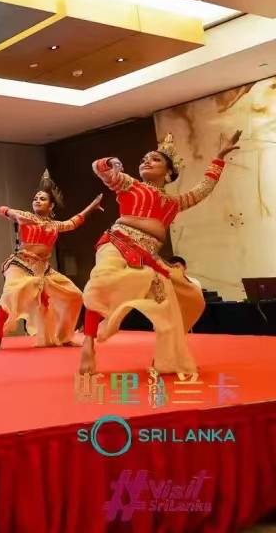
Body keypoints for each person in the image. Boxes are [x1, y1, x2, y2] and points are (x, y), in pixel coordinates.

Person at [79, 131, 241, 375]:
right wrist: (110, 162)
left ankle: (167, 357)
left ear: (169, 173)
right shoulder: (129, 184)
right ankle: (88, 345)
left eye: (155, 159)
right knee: (102, 282)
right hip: (117, 243)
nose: (146, 161)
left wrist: (219, 158)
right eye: (144, 159)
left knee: (187, 298)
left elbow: (204, 188)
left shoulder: (175, 203)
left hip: (149, 257)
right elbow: (99, 168)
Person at [0, 171, 103, 350]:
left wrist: (92, 206)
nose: (37, 201)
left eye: (42, 199)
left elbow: (73, 222)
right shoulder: (26, 217)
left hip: (43, 269)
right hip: (20, 264)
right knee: (10, 294)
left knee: (75, 296)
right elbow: (1, 209)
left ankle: (64, 336)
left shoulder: (55, 225)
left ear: (51, 206)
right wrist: (11, 212)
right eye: (35, 198)